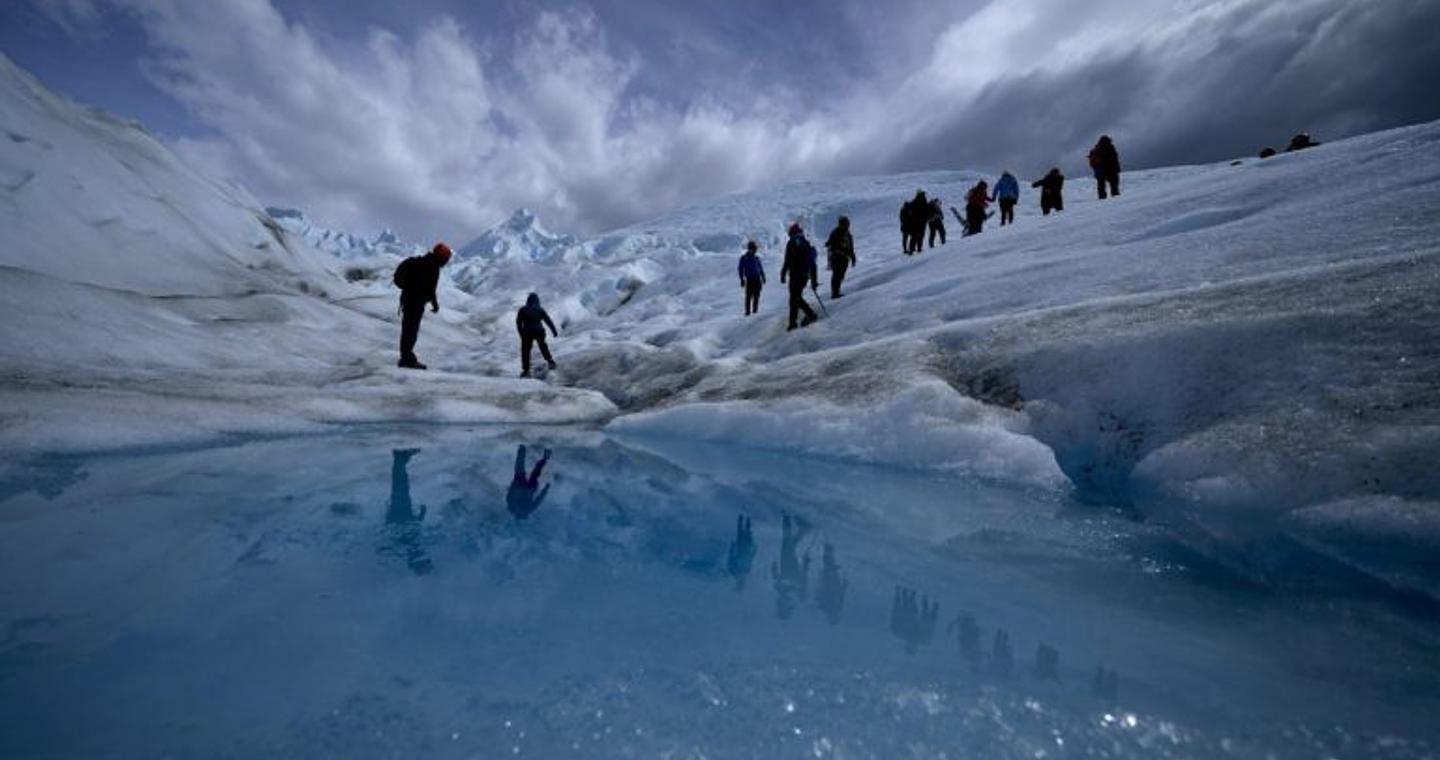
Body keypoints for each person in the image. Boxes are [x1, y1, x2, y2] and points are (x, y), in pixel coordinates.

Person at [393, 242, 452, 369]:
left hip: (408, 300)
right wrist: (434, 303)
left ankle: (405, 358)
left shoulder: (423, 262)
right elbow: (430, 288)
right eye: (446, 259)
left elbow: (428, 287)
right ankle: (407, 359)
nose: (446, 262)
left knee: (407, 330)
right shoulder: (432, 267)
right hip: (416, 302)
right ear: (441, 257)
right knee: (411, 331)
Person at [780, 222, 819, 330]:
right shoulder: (806, 242)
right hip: (804, 276)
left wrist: (783, 273)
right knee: (795, 297)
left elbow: (787, 260)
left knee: (795, 298)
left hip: (795, 275)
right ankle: (793, 323)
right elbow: (812, 262)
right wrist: (814, 280)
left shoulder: (792, 242)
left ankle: (810, 315)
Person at [516, 292, 559, 377]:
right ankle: (550, 362)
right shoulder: (540, 309)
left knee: (526, 351)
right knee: (543, 346)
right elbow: (548, 321)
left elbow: (518, 323)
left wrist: (521, 333)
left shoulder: (523, 309)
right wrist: (554, 331)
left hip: (527, 332)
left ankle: (526, 371)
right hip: (539, 331)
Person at [506, 444, 551, 519]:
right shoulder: (512, 510)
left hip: (530, 489)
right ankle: (522, 448)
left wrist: (546, 488)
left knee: (536, 473)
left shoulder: (529, 510)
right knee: (519, 468)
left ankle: (545, 457)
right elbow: (508, 498)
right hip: (518, 487)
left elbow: (540, 499)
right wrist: (510, 489)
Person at [824, 216, 857, 299]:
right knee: (837, 275)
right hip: (837, 257)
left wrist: (853, 258)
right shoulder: (836, 232)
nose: (846, 226)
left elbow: (850, 247)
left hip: (844, 258)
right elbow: (829, 243)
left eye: (847, 224)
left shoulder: (848, 234)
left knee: (840, 275)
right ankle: (835, 293)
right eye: (845, 224)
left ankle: (836, 291)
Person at [737, 240, 766, 316]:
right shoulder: (744, 258)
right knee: (749, 296)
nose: (755, 250)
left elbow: (760, 268)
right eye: (754, 249)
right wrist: (742, 279)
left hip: (757, 279)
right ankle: (747, 312)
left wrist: (763, 276)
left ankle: (755, 311)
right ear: (750, 249)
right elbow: (740, 269)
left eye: (755, 249)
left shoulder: (757, 258)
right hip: (750, 279)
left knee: (756, 295)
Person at [1088, 135, 1121, 199]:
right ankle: (1117, 199)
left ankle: (1102, 198)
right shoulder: (1110, 147)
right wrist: (1117, 169)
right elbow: (1114, 158)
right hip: (1111, 170)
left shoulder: (1096, 148)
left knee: (1101, 186)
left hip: (1100, 171)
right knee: (1114, 185)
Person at [900, 190, 928, 254]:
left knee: (914, 236)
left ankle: (912, 250)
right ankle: (918, 249)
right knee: (918, 236)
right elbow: (925, 212)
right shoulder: (922, 201)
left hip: (915, 223)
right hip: (920, 222)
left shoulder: (914, 202)